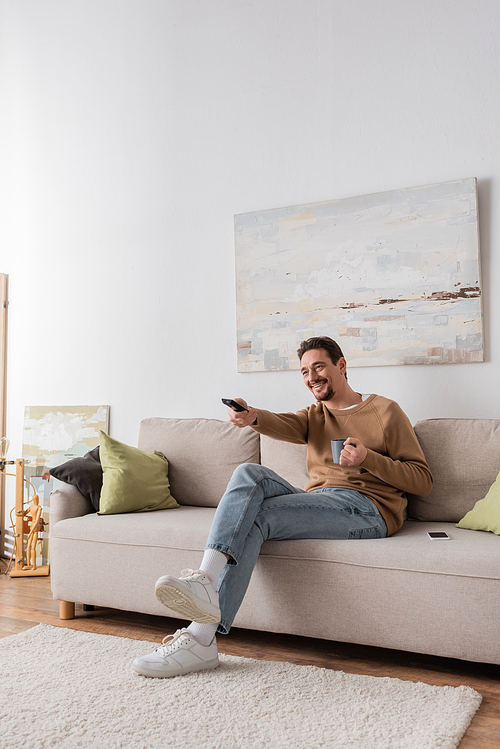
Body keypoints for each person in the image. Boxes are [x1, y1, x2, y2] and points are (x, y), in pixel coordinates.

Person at [133, 336, 433, 678]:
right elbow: (283, 423)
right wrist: (251, 416)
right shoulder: (314, 416)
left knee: (260, 517)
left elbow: (422, 480)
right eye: (305, 371)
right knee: (250, 474)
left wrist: (368, 459)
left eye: (319, 366)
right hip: (321, 501)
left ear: (342, 365)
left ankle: (200, 638)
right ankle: (204, 581)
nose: (311, 377)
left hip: (368, 510)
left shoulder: (385, 411)